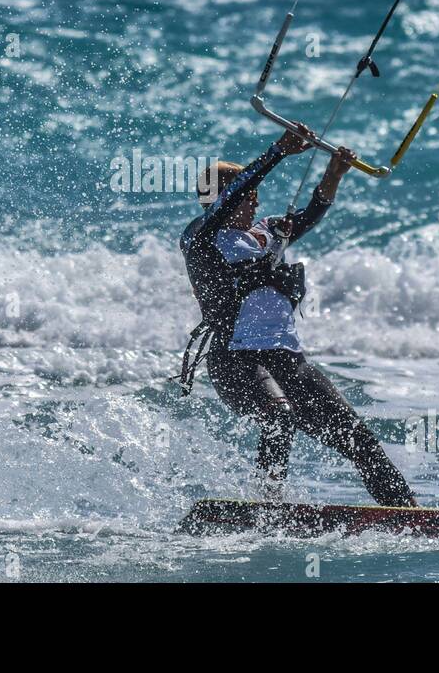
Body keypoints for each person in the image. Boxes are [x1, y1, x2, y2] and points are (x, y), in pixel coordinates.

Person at [179, 123, 417, 506]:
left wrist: (333, 174)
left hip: (288, 360)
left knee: (358, 439)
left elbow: (310, 214)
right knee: (278, 416)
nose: (255, 202)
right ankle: (267, 508)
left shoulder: (267, 232)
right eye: (248, 195)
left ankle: (409, 514)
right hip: (236, 361)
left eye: (255, 195)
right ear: (221, 198)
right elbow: (229, 199)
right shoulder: (201, 238)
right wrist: (278, 152)